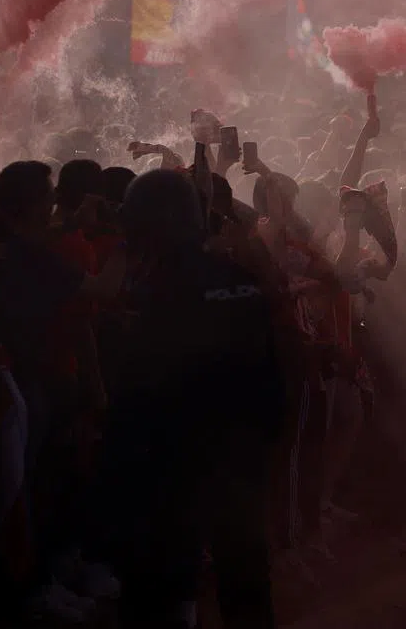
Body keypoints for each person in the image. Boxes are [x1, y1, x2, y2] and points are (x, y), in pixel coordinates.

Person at [94, 168, 284, 629]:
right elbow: (272, 367)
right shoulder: (242, 279)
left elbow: (137, 383)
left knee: (162, 585)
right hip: (240, 457)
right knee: (245, 578)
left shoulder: (153, 289)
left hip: (171, 460)